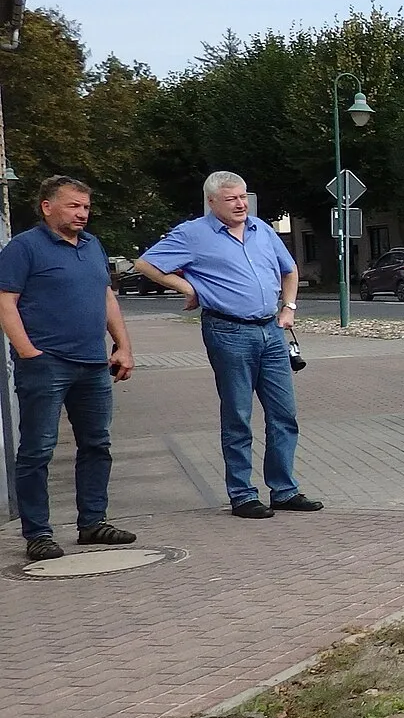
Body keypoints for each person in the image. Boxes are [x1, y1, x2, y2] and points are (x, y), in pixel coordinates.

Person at [135, 172, 322, 519]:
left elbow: (290, 270)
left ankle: (284, 489)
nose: (241, 204)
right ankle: (242, 493)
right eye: (232, 199)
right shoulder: (193, 234)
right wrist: (190, 288)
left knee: (284, 414)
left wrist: (289, 308)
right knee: (238, 414)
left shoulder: (261, 229)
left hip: (271, 330)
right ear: (211, 201)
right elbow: (145, 264)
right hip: (229, 331)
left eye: (243, 197)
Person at [0, 176, 136, 561]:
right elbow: (5, 302)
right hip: (46, 365)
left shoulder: (93, 246)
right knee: (37, 450)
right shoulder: (23, 248)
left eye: (86, 207)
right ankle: (38, 534)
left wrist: (123, 346)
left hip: (93, 364)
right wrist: (28, 352)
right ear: (47, 207)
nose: (82, 214)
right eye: (74, 206)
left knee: (97, 444)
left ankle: (93, 522)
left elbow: (105, 297)